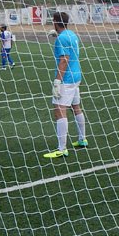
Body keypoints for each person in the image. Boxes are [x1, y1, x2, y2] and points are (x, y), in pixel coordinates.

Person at [44, 12, 88, 159]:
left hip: (67, 79)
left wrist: (57, 81)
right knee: (76, 107)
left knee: (59, 109)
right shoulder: (71, 34)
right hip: (77, 76)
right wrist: (57, 36)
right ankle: (82, 139)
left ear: (55, 22)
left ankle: (62, 149)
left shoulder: (62, 38)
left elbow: (64, 60)